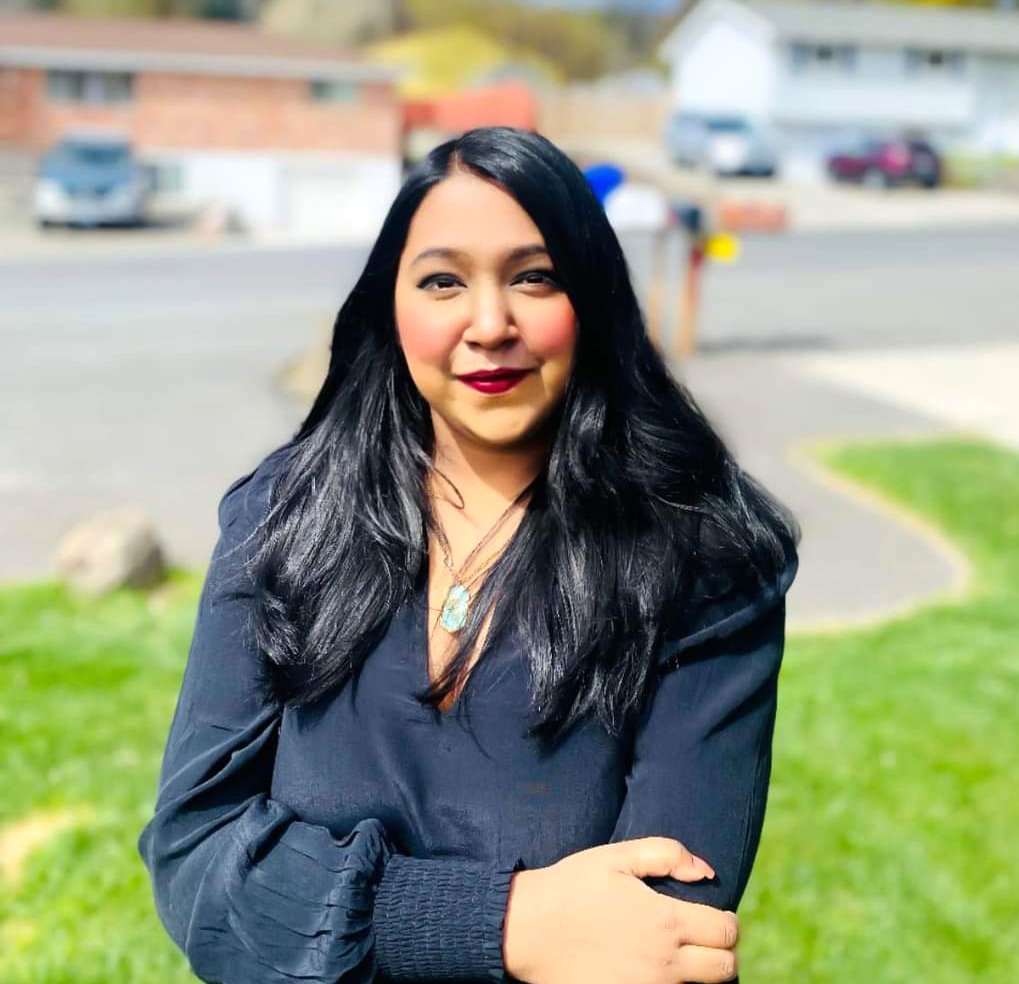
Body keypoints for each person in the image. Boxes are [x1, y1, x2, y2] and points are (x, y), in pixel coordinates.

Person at [137, 125, 800, 984]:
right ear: (392, 305)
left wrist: (310, 906)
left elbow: (661, 940)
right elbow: (195, 861)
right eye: (443, 281)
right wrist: (502, 924)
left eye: (534, 278)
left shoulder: (706, 557)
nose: (490, 325)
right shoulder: (284, 517)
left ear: (592, 300)